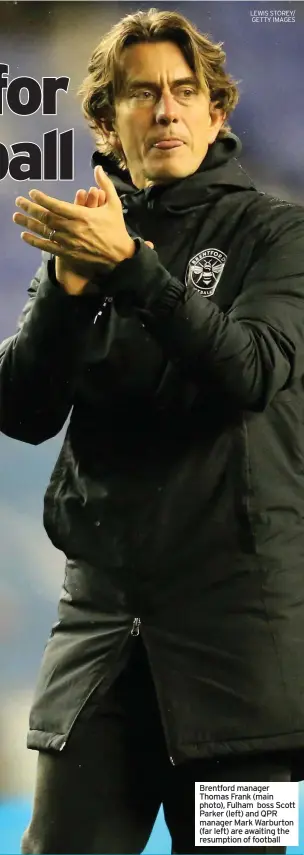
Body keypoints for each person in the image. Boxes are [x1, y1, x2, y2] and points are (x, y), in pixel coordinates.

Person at [1, 7, 304, 854]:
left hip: (240, 661)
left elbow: (247, 369)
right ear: (105, 122)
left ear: (217, 114)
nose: (166, 109)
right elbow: (21, 412)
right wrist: (65, 293)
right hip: (100, 642)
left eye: (184, 91)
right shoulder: (81, 246)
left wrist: (134, 269)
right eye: (142, 94)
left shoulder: (280, 237)